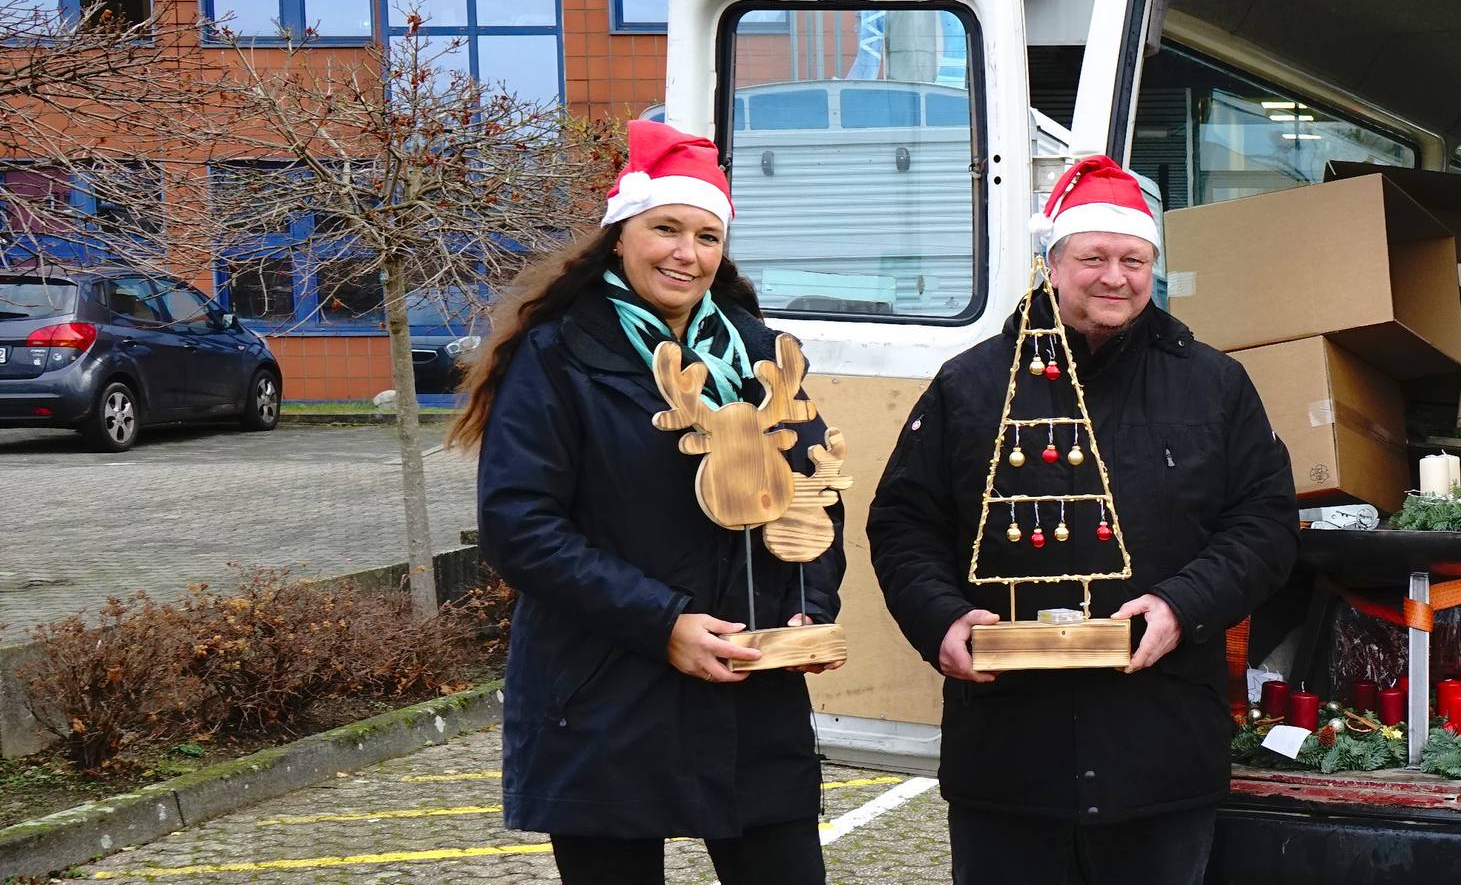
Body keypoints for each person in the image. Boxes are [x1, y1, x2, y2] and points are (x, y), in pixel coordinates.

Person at [870, 154, 1298, 885]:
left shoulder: (1213, 384)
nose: (1115, 278)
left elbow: (1264, 524)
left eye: (1134, 260)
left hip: (1160, 750)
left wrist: (1182, 605)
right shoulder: (971, 384)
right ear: (1053, 264)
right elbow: (904, 524)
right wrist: (941, 619)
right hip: (1009, 754)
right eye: (1093, 257)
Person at [462, 121, 844, 885]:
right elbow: (519, 525)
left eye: (706, 237)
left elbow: (812, 494)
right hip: (603, 688)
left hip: (748, 686)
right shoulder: (557, 353)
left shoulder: (760, 356)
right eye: (665, 228)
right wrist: (662, 623)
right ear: (620, 236)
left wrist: (809, 606)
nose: (686, 253)